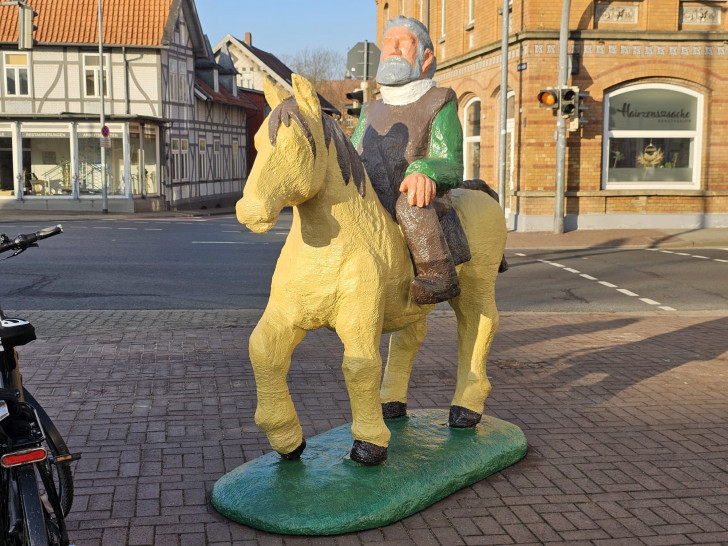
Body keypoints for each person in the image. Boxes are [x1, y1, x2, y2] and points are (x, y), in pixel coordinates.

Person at [351, 15, 466, 305]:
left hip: (422, 199)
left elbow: (450, 161)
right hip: (374, 198)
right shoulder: (371, 109)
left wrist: (423, 170)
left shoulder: (439, 100)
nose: (394, 49)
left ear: (426, 59)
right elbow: (353, 153)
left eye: (405, 43)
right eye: (389, 43)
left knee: (410, 206)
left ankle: (439, 275)